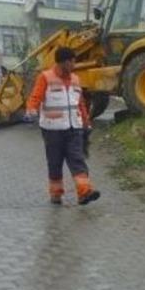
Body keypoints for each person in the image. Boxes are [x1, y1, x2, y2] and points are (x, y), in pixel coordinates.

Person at [26, 47, 101, 206]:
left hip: (74, 128)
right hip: (52, 130)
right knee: (55, 162)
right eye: (72, 61)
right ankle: (56, 194)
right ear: (63, 62)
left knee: (77, 159)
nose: (74, 64)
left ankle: (84, 192)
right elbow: (35, 96)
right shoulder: (45, 77)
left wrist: (86, 122)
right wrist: (31, 109)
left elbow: (80, 103)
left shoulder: (75, 79)